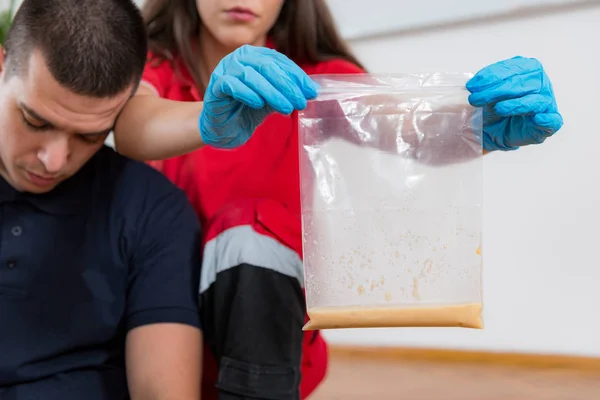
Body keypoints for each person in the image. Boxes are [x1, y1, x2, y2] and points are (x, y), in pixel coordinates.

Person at [112, 1, 563, 400]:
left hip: (267, 328)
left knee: (249, 231)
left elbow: (407, 128)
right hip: (166, 329)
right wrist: (207, 118)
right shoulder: (155, 65)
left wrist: (475, 128)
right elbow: (135, 124)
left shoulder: (317, 81)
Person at [0, 0, 317, 399]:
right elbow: (138, 122)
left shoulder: (150, 210)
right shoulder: (159, 72)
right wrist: (204, 119)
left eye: (90, 136)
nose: (55, 160)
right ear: (2, 64)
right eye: (35, 122)